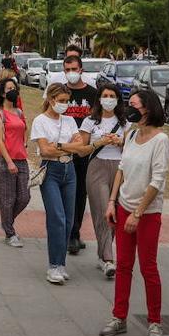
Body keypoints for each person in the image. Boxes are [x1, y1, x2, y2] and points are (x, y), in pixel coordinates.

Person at [100, 90, 169, 336]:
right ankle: (119, 317)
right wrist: (112, 201)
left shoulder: (161, 140)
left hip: (147, 213)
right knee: (123, 266)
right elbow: (121, 169)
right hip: (123, 207)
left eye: (133, 105)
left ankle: (154, 321)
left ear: (148, 109)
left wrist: (138, 213)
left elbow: (157, 180)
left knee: (148, 267)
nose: (128, 109)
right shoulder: (130, 134)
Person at [71, 83, 129, 279]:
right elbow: (82, 149)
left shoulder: (124, 123)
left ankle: (102, 254)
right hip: (97, 168)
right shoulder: (90, 121)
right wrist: (100, 142)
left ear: (118, 99)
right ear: (99, 98)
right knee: (104, 212)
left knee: (115, 215)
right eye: (105, 95)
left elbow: (131, 151)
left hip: (119, 169)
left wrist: (120, 142)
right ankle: (108, 259)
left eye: (112, 95)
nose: (108, 98)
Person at [30, 82, 81, 285]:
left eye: (67, 101)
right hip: (50, 171)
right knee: (57, 217)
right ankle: (53, 265)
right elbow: (45, 151)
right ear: (51, 100)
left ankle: (61, 263)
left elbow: (80, 146)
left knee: (69, 219)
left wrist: (60, 146)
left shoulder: (69, 121)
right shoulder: (40, 121)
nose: (64, 105)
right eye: (61, 101)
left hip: (70, 171)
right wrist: (68, 147)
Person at [60, 53, 101, 255]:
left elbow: (99, 120)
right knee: (64, 192)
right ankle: (67, 232)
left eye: (74, 69)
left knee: (79, 194)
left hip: (84, 152)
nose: (71, 73)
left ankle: (74, 234)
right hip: (63, 151)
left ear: (81, 70)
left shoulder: (93, 93)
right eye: (67, 70)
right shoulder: (61, 93)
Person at [0, 77, 30, 247]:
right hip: (4, 160)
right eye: (9, 88)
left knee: (24, 197)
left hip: (21, 159)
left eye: (14, 88)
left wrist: (25, 143)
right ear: (2, 92)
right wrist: (9, 162)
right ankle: (9, 232)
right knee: (8, 198)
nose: (12, 90)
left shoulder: (19, 112)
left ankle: (6, 221)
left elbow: (24, 129)